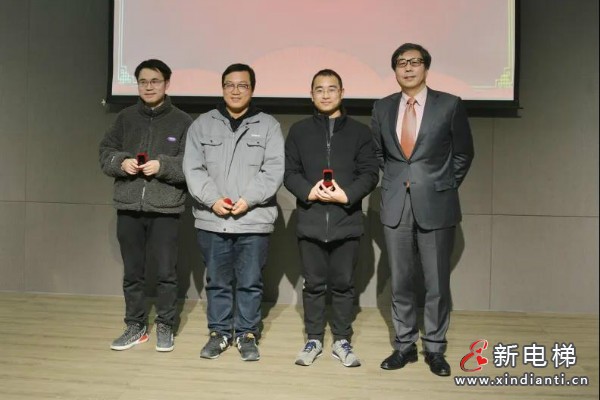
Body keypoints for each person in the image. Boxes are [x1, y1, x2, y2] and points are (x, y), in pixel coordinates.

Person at [371, 43, 474, 376]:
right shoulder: (382, 107)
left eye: (414, 62)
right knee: (400, 281)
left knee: (436, 283)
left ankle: (434, 348)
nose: (408, 68)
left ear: (426, 67)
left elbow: (463, 153)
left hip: (436, 203)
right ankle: (404, 346)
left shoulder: (450, 104)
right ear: (395, 70)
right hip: (396, 205)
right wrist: (395, 182)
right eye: (401, 63)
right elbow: (378, 154)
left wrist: (443, 184)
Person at [183, 63, 284, 362]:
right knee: (217, 281)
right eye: (230, 84)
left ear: (252, 89)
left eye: (242, 85)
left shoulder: (269, 125)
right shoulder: (202, 124)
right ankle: (219, 333)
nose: (236, 90)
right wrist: (213, 200)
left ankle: (247, 334)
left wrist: (248, 200)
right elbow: (193, 168)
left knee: (251, 282)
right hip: (213, 219)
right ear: (222, 88)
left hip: (253, 220)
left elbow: (274, 169)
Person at [284, 69, 379, 367]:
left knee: (343, 285)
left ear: (342, 92)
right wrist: (309, 192)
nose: (325, 94)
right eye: (319, 89)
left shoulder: (361, 132)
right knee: (312, 285)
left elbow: (370, 173)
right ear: (311, 94)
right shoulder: (299, 131)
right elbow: (289, 172)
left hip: (346, 222)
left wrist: (346, 195)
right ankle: (313, 339)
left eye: (331, 89)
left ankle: (341, 340)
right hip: (310, 221)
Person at [99, 59, 193, 352]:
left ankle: (166, 324)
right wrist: (121, 162)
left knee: (166, 273)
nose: (148, 87)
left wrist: (163, 166)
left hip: (165, 208)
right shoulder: (125, 118)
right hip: (128, 206)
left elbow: (191, 165)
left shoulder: (183, 121)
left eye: (155, 81)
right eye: (143, 81)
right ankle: (135, 325)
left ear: (167, 83)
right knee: (132, 273)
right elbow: (105, 152)